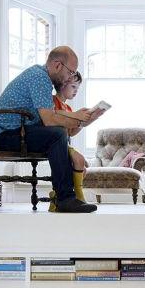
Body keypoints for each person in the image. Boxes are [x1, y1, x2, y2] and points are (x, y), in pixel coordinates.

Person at [0, 46, 103, 213]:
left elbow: (51, 117)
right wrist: (77, 118)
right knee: (57, 135)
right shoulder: (40, 78)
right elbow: (50, 120)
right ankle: (65, 198)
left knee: (57, 134)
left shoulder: (40, 76)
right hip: (5, 134)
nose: (70, 77)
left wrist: (82, 121)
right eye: (70, 72)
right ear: (57, 65)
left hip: (13, 131)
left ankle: (64, 197)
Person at [49, 71, 89, 210]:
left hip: (65, 143)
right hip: (56, 144)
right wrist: (74, 116)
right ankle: (78, 196)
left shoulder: (69, 108)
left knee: (83, 170)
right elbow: (51, 116)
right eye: (73, 87)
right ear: (63, 84)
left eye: (77, 88)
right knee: (79, 160)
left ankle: (56, 197)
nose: (76, 91)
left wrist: (82, 123)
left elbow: (71, 132)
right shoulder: (53, 101)